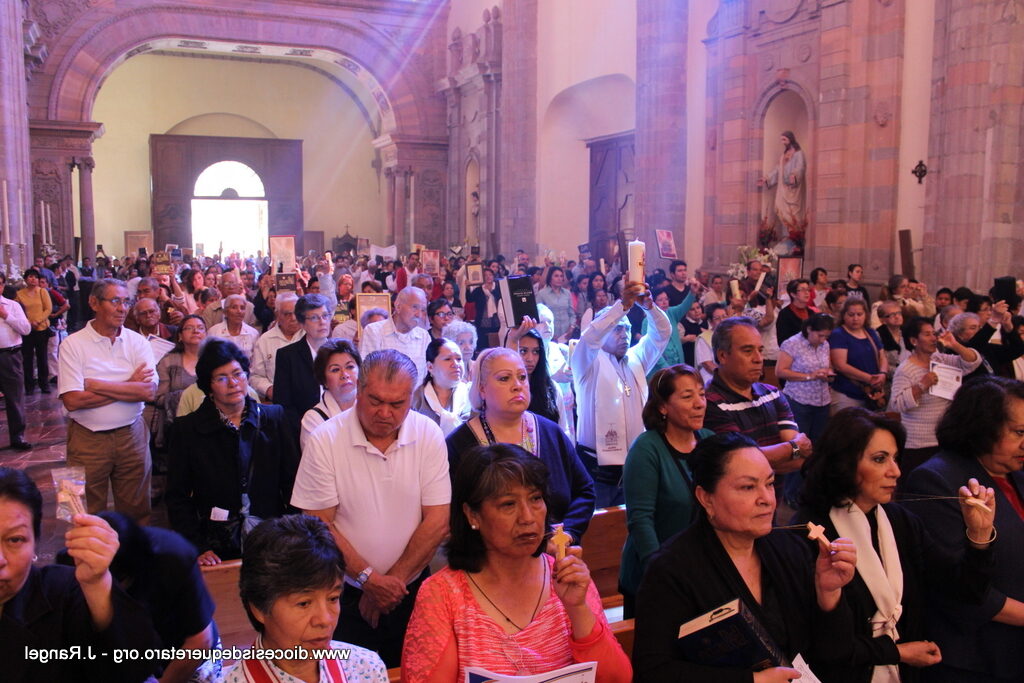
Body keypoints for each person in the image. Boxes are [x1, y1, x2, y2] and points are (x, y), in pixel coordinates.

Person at [632, 432, 858, 682]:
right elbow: (653, 671)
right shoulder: (672, 569)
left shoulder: (790, 550)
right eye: (748, 487)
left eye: (770, 483)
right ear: (706, 498)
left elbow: (833, 652)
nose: (767, 500)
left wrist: (828, 593)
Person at [794, 408, 996, 683]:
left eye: (896, 459)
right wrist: (895, 652)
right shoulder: (807, 531)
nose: (896, 471)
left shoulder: (901, 521)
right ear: (844, 462)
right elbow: (820, 644)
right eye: (880, 459)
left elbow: (965, 590)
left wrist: (979, 534)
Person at [401, 444, 632, 683]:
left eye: (535, 499)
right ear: (472, 515)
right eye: (508, 504)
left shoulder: (565, 575)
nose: (528, 518)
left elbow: (617, 678)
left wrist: (577, 608)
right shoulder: (442, 594)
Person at [291, 350, 451, 667]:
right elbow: (319, 524)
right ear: (359, 390)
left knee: (416, 669)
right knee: (350, 672)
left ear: (411, 398)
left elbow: (438, 520)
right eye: (376, 401)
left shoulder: (428, 433)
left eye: (397, 404)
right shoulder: (326, 439)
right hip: (343, 592)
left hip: (410, 589)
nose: (385, 413)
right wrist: (369, 581)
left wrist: (391, 585)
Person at [904, 376, 1024, 682]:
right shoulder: (935, 481)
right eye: (1019, 432)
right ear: (983, 427)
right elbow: (957, 589)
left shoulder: (1015, 471)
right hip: (977, 657)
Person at [0, 466, 161, 683]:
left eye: (15, 539)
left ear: (35, 543)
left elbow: (132, 667)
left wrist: (97, 582)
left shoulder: (62, 593)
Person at [167, 339, 299, 565]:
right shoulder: (187, 429)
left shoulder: (274, 418)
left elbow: (293, 483)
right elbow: (177, 497)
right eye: (221, 378)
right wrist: (198, 547)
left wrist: (293, 533)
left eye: (238, 373)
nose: (233, 383)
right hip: (216, 545)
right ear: (208, 385)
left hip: (273, 538)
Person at [446, 347, 595, 544]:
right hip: (489, 562)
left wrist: (568, 533)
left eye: (522, 377)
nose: (517, 386)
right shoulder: (460, 444)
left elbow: (585, 491)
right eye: (504, 378)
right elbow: (455, 514)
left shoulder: (551, 432)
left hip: (556, 555)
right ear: (482, 388)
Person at [225, 514, 388, 683]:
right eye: (304, 603)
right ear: (259, 608)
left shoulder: (365, 669)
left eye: (332, 598)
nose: (325, 620)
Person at [58, 279, 156, 523]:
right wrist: (128, 384)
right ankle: (85, 561)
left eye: (126, 302)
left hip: (131, 435)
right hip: (85, 438)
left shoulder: (138, 342)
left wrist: (98, 384)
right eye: (115, 301)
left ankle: (131, 560)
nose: (122, 308)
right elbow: (72, 401)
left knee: (137, 508)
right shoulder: (72, 344)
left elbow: (147, 393)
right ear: (94, 303)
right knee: (78, 512)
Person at [620, 365, 713, 618]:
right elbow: (640, 521)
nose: (699, 404)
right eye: (687, 397)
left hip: (704, 574)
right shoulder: (646, 449)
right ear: (662, 407)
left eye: (702, 394)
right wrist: (659, 573)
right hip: (655, 576)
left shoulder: (710, 442)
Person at [572, 282, 672, 507]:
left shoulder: (636, 359)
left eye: (627, 328)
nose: (624, 334)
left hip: (636, 468)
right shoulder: (586, 363)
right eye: (617, 328)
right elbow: (591, 337)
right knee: (601, 535)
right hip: (597, 474)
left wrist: (650, 308)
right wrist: (621, 307)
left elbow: (663, 334)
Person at [703, 317, 811, 473]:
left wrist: (770, 456)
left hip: (774, 496)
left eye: (760, 350)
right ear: (722, 356)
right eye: (747, 351)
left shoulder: (772, 394)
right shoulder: (709, 402)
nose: (758, 359)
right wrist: (793, 447)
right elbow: (739, 460)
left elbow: (801, 458)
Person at [889, 317, 981, 475]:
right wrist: (921, 386)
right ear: (914, 340)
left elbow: (973, 362)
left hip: (944, 437)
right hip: (919, 443)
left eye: (934, 333)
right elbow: (897, 404)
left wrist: (955, 345)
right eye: (927, 334)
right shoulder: (905, 369)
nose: (933, 338)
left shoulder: (940, 359)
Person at [274, 292, 333, 427]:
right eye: (314, 318)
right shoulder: (287, 356)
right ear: (302, 323)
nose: (322, 322)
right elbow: (283, 405)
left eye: (325, 316)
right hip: (302, 426)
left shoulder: (340, 352)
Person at [361, 286, 432, 384]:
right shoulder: (374, 331)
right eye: (415, 307)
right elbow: (366, 374)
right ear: (398, 306)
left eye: (423, 310)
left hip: (416, 398)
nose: (419, 315)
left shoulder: (424, 336)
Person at [300, 339, 361, 449]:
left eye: (350, 367)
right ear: (324, 380)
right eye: (335, 370)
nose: (345, 374)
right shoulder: (313, 420)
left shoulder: (371, 408)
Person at [830, 297, 888, 412]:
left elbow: (882, 356)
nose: (855, 318)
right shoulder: (839, 334)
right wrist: (869, 378)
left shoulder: (870, 332)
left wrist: (882, 374)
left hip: (871, 393)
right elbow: (840, 365)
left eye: (859, 314)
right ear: (843, 315)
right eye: (851, 315)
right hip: (847, 393)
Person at [249, 291, 304, 401]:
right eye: (287, 314)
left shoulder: (311, 336)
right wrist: (269, 389)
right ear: (277, 314)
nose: (293, 318)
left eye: (296, 313)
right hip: (278, 403)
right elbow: (255, 377)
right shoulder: (265, 341)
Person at [412, 337, 471, 435]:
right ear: (430, 366)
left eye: (459, 359)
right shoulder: (416, 399)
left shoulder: (473, 394)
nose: (456, 364)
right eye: (448, 359)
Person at [0, 273, 32, 450]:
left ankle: (17, 437)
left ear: (3, 286)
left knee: (14, 399)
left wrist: (6, 316)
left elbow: (26, 329)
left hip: (9, 356)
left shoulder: (12, 306)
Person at [645, 286, 696, 379]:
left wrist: (692, 292)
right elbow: (651, 347)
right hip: (660, 370)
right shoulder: (647, 321)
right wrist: (666, 367)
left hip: (677, 364)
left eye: (666, 299)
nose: (664, 302)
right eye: (660, 300)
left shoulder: (671, 313)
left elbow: (684, 306)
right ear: (653, 303)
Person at [760, 130, 806, 232]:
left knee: (793, 214)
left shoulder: (799, 154)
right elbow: (778, 169)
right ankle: (786, 237)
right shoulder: (783, 155)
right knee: (781, 210)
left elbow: (800, 167)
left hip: (793, 190)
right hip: (783, 189)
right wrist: (767, 178)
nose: (783, 142)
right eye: (781, 140)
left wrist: (794, 176)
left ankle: (794, 238)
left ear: (790, 139)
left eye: (784, 139)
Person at [15, 268, 53, 394]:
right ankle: (29, 386)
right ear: (26, 279)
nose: (33, 279)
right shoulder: (20, 294)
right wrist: (26, 322)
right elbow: (16, 310)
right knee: (27, 358)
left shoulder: (42, 291)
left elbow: (48, 309)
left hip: (41, 328)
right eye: (30, 277)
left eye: (35, 277)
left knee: (42, 357)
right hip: (27, 329)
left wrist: (38, 320)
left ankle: (44, 384)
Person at [207, 293, 260, 361]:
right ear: (226, 312)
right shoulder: (214, 332)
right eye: (234, 307)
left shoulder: (253, 333)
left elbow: (255, 361)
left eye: (242, 308)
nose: (239, 311)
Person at [536, 267, 578, 342]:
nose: (559, 278)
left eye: (561, 276)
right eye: (556, 276)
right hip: (550, 335)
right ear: (550, 278)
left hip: (567, 335)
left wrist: (571, 328)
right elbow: (538, 317)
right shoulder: (542, 294)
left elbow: (572, 314)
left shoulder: (567, 293)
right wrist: (548, 333)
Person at [775, 277, 816, 345]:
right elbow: (782, 341)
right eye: (803, 290)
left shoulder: (811, 313)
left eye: (808, 290)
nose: (807, 293)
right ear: (793, 294)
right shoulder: (785, 314)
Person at [443, 318, 478, 383]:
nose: (468, 347)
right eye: (461, 343)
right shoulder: (446, 372)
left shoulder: (479, 367)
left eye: (471, 342)